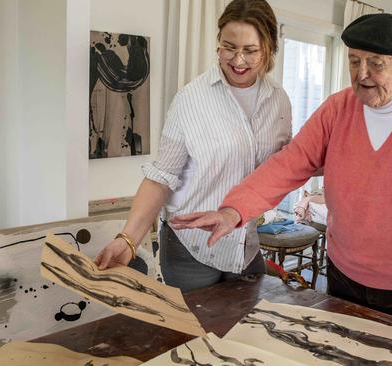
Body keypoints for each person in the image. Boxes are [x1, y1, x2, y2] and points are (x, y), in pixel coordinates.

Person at [170, 13, 392, 366]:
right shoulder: (337, 109)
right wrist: (234, 209)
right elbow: (290, 163)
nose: (361, 74)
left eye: (375, 64)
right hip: (344, 277)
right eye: (354, 61)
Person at [95, 0, 291, 293]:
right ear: (218, 45)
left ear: (269, 48)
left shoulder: (279, 100)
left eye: (250, 51)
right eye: (229, 47)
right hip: (190, 248)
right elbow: (161, 178)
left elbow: (284, 166)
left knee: (244, 332)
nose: (238, 60)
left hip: (245, 245)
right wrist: (128, 239)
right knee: (194, 335)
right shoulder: (191, 99)